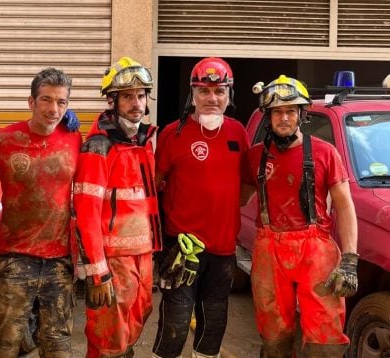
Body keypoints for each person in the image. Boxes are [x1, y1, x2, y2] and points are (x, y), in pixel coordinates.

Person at [244, 75, 358, 357]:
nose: (284, 118)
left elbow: (345, 206)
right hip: (269, 252)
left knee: (325, 336)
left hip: (316, 251)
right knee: (274, 336)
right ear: (268, 116)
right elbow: (235, 198)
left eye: (291, 111)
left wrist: (350, 260)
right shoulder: (254, 156)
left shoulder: (325, 152)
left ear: (301, 115)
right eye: (278, 112)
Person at [152, 57, 251, 358]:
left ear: (229, 95)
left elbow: (246, 186)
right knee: (176, 324)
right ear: (192, 94)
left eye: (219, 91)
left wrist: (221, 206)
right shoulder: (172, 133)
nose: (212, 98)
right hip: (181, 249)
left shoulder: (238, 133)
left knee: (213, 324)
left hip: (222, 252)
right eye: (204, 91)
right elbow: (156, 184)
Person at [0, 67, 82, 357]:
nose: (54, 109)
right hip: (14, 259)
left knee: (58, 345)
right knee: (4, 343)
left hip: (59, 261)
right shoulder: (4, 139)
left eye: (61, 102)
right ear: (31, 102)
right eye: (46, 100)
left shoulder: (75, 139)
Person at [73, 56, 161, 358]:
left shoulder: (144, 141)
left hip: (143, 255)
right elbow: (85, 213)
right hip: (113, 260)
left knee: (135, 325)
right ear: (113, 101)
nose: (135, 102)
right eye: (127, 96)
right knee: (108, 336)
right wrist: (97, 274)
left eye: (140, 95)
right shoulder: (99, 146)